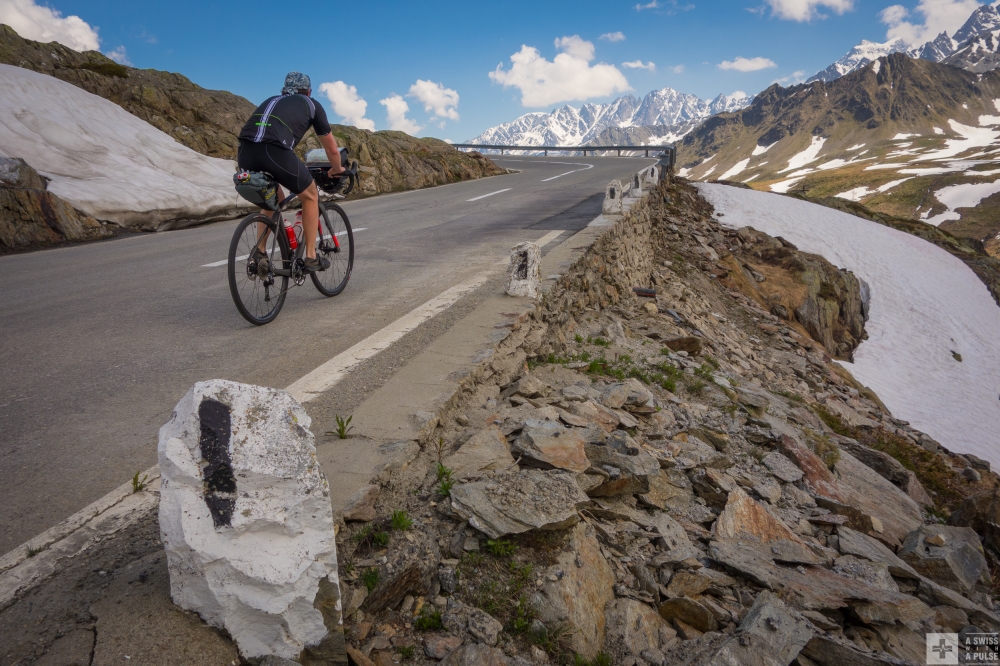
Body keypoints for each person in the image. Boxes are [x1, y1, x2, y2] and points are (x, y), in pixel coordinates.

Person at [237, 72, 345, 272]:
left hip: (245, 151)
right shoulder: (312, 104)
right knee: (311, 195)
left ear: (284, 90)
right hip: (274, 150)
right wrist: (337, 169)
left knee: (273, 198)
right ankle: (311, 256)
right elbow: (331, 149)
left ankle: (260, 252)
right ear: (309, 91)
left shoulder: (271, 100)